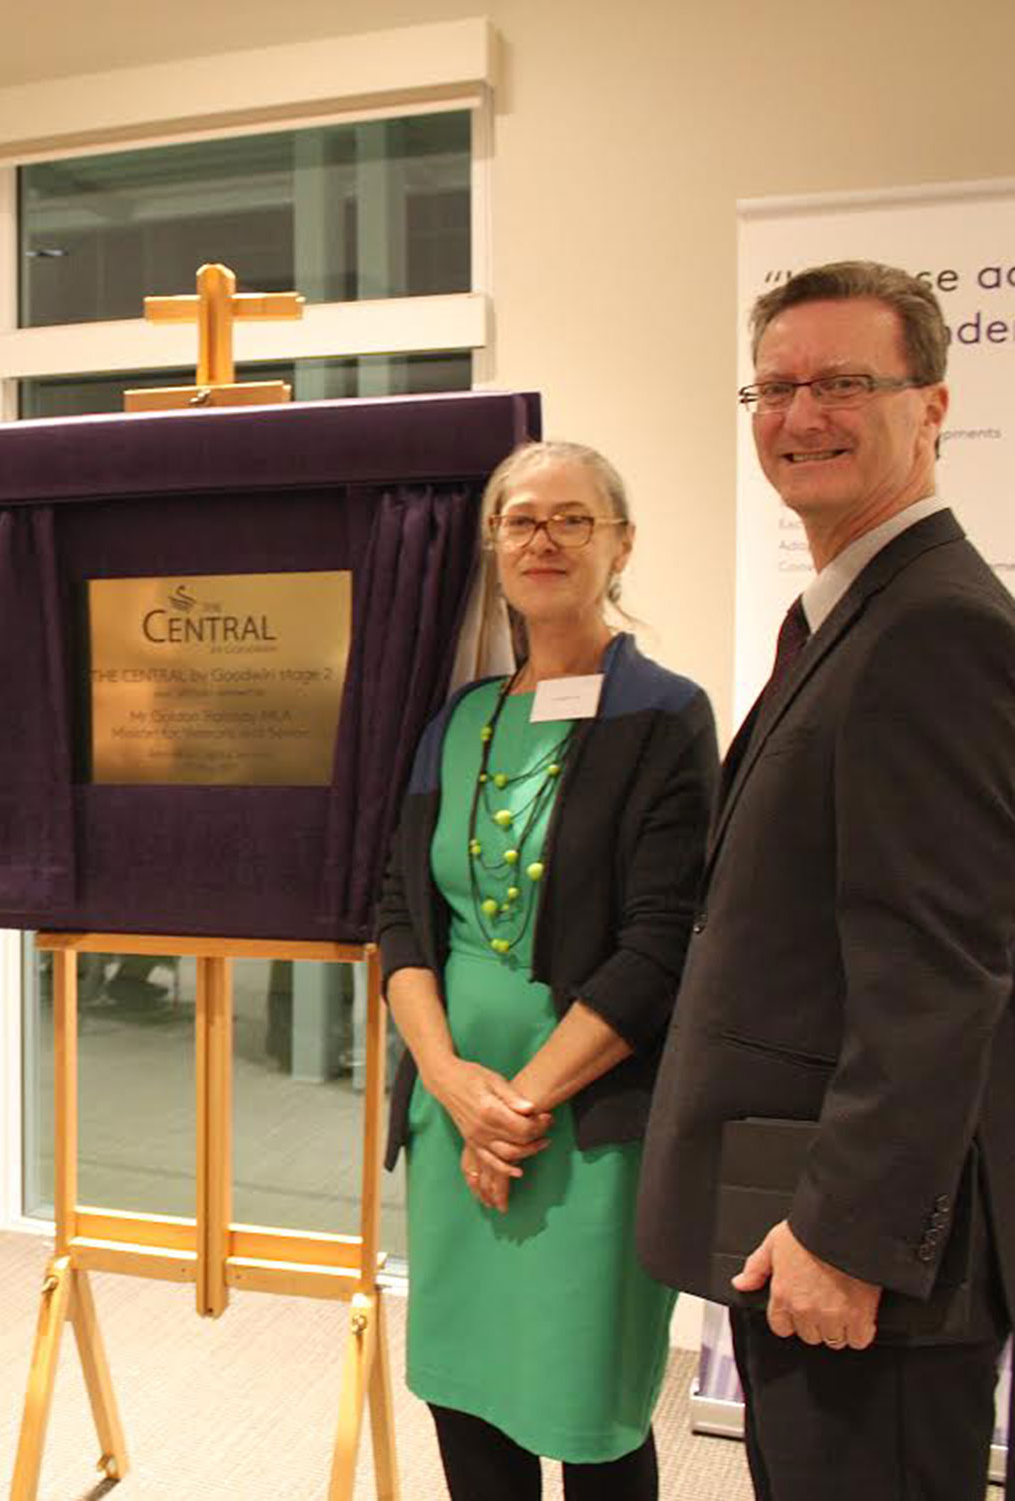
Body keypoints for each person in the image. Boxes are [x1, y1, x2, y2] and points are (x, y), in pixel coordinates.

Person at [639, 261, 1015, 1500]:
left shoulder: (933, 630)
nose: (801, 416)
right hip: (800, 1209)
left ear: (932, 405)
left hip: (859, 1256)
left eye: (844, 383)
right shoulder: (857, 614)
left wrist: (844, 1236)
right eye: (776, 386)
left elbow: (939, 970)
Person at [376, 441, 716, 1501]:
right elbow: (399, 916)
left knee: (586, 1406)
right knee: (466, 1399)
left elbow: (661, 940)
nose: (543, 538)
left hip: (585, 1126)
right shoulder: (458, 719)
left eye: (572, 518)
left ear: (619, 543)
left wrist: (515, 1107)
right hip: (451, 1115)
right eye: (520, 519)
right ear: (492, 545)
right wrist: (444, 1079)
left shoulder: (664, 715)